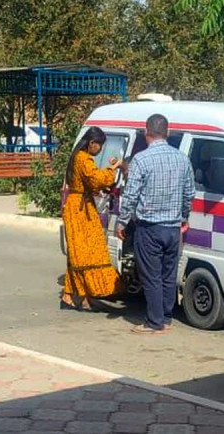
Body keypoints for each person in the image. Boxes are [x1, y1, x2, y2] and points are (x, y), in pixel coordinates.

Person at [116, 114, 195, 334]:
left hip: (149, 228)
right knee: (168, 275)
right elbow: (189, 193)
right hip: (173, 228)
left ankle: (154, 321)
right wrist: (184, 217)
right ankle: (167, 318)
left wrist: (122, 223)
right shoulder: (182, 159)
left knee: (150, 275)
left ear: (146, 132)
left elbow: (131, 196)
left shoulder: (141, 160)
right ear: (167, 133)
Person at [61, 127, 123, 311]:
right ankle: (78, 294)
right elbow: (96, 179)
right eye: (100, 145)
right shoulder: (83, 158)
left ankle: (78, 295)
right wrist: (113, 168)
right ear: (92, 143)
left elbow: (90, 183)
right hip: (79, 209)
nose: (100, 150)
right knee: (85, 252)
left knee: (79, 253)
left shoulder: (79, 157)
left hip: (81, 205)